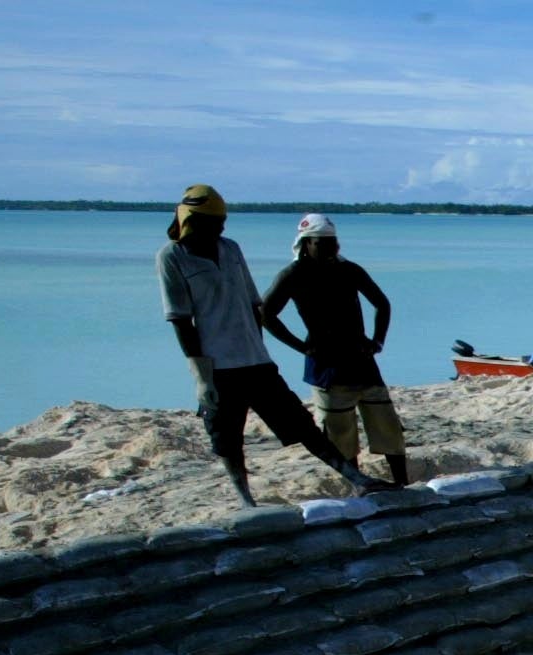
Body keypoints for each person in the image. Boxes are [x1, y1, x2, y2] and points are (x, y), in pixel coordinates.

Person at [155, 183, 387, 506]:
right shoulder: (172, 258)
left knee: (300, 423)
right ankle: (245, 499)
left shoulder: (231, 249)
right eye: (213, 223)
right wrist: (201, 376)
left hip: (255, 360)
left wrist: (263, 350)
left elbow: (254, 306)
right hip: (218, 365)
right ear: (193, 222)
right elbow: (181, 321)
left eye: (222, 222)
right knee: (227, 437)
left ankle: (357, 479)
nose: (220, 228)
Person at [260, 214, 410, 487]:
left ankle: (402, 481)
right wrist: (301, 347)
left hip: (361, 360)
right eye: (322, 242)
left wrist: (377, 341)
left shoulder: (349, 270)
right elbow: (266, 314)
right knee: (340, 433)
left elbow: (382, 304)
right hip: (326, 364)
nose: (330, 248)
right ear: (306, 243)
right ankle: (358, 483)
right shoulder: (293, 275)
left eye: (333, 242)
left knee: (386, 424)